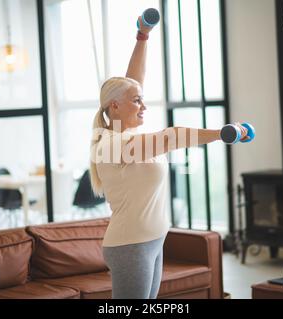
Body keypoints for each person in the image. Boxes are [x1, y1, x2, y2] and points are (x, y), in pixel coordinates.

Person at [89, 14, 249, 299]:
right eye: (137, 102)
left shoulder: (121, 128)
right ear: (115, 106)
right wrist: (221, 133)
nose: (143, 106)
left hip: (152, 239)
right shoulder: (112, 144)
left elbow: (131, 84)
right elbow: (171, 137)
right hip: (130, 245)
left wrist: (142, 37)